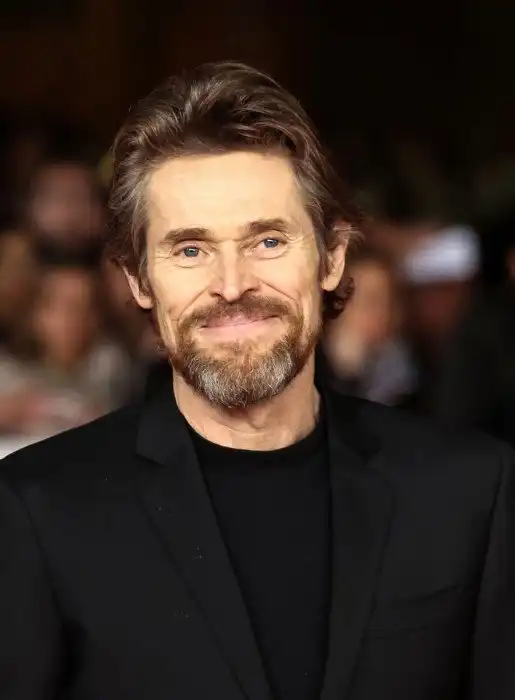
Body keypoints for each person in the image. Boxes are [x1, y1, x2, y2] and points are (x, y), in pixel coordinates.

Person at [0, 62, 513, 700]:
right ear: (139, 280)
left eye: (268, 241)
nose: (232, 284)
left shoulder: (468, 493)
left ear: (332, 258)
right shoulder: (36, 510)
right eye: (190, 250)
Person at [322, 247, 416, 406]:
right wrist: (346, 375)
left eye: (392, 301)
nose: (384, 313)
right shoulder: (308, 372)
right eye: (371, 301)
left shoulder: (412, 374)